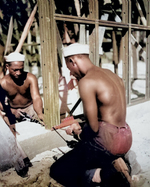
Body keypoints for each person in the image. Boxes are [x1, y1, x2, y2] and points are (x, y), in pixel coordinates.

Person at [50, 43, 133, 187]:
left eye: (70, 69)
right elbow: (106, 113)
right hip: (125, 137)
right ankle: (118, 165)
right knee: (85, 153)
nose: (71, 73)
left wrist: (77, 131)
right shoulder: (112, 75)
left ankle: (106, 174)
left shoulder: (87, 81)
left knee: (58, 170)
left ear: (73, 61)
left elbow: (93, 128)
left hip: (108, 141)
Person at [0, 52, 44, 125]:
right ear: (7, 66)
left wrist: (39, 114)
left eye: (21, 69)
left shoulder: (30, 78)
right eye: (15, 70)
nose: (19, 73)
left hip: (30, 108)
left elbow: (36, 97)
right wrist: (12, 111)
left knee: (41, 123)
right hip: (12, 110)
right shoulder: (3, 83)